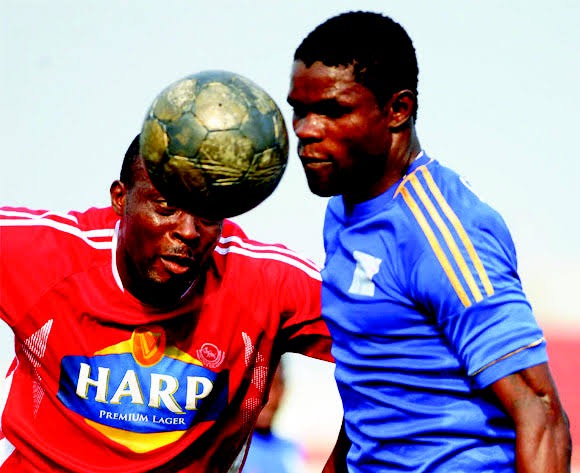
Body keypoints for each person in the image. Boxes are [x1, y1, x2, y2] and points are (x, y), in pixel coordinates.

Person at [287, 10, 571, 473]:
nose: (306, 129)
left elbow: (541, 413)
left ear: (398, 110)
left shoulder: (444, 231)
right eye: (300, 110)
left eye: (333, 111)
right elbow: (372, 388)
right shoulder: (342, 212)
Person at [0, 134, 333, 472]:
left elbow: (371, 337)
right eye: (166, 207)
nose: (188, 231)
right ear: (120, 199)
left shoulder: (263, 284)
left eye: (207, 213)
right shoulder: (44, 256)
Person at [243, 363, 306, 473]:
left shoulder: (293, 452)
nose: (270, 399)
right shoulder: (227, 451)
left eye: (276, 385)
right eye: (260, 386)